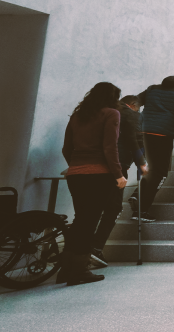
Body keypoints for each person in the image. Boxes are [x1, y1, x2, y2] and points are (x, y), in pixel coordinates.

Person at [57, 82, 125, 286]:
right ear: (112, 97)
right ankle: (79, 271)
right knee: (90, 222)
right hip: (99, 174)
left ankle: (65, 270)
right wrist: (118, 174)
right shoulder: (111, 113)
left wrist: (76, 167)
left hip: (76, 174)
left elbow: (66, 148)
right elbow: (109, 147)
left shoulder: (77, 116)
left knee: (80, 220)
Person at [91, 95, 147, 269]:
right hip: (117, 166)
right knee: (114, 207)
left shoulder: (100, 113)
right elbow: (134, 140)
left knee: (92, 208)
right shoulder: (131, 114)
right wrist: (141, 162)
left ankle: (78, 248)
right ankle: (95, 247)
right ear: (133, 105)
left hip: (92, 165)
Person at [133, 76, 174, 222]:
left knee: (152, 169)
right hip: (163, 134)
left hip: (143, 132)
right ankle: (141, 210)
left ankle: (138, 200)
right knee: (160, 171)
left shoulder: (152, 89)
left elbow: (135, 102)